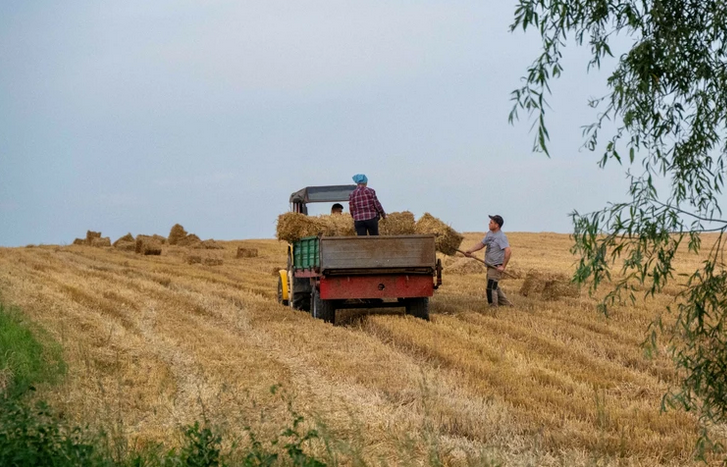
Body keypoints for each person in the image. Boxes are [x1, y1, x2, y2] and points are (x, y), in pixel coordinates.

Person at [463, 215, 513, 307]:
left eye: (491, 222)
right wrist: (470, 250)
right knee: (494, 286)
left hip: (496, 266)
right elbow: (482, 244)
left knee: (491, 287)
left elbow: (508, 251)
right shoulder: (489, 234)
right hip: (490, 265)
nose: (489, 224)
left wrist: (503, 266)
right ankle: (507, 305)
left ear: (497, 225)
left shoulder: (501, 237)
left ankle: (493, 307)